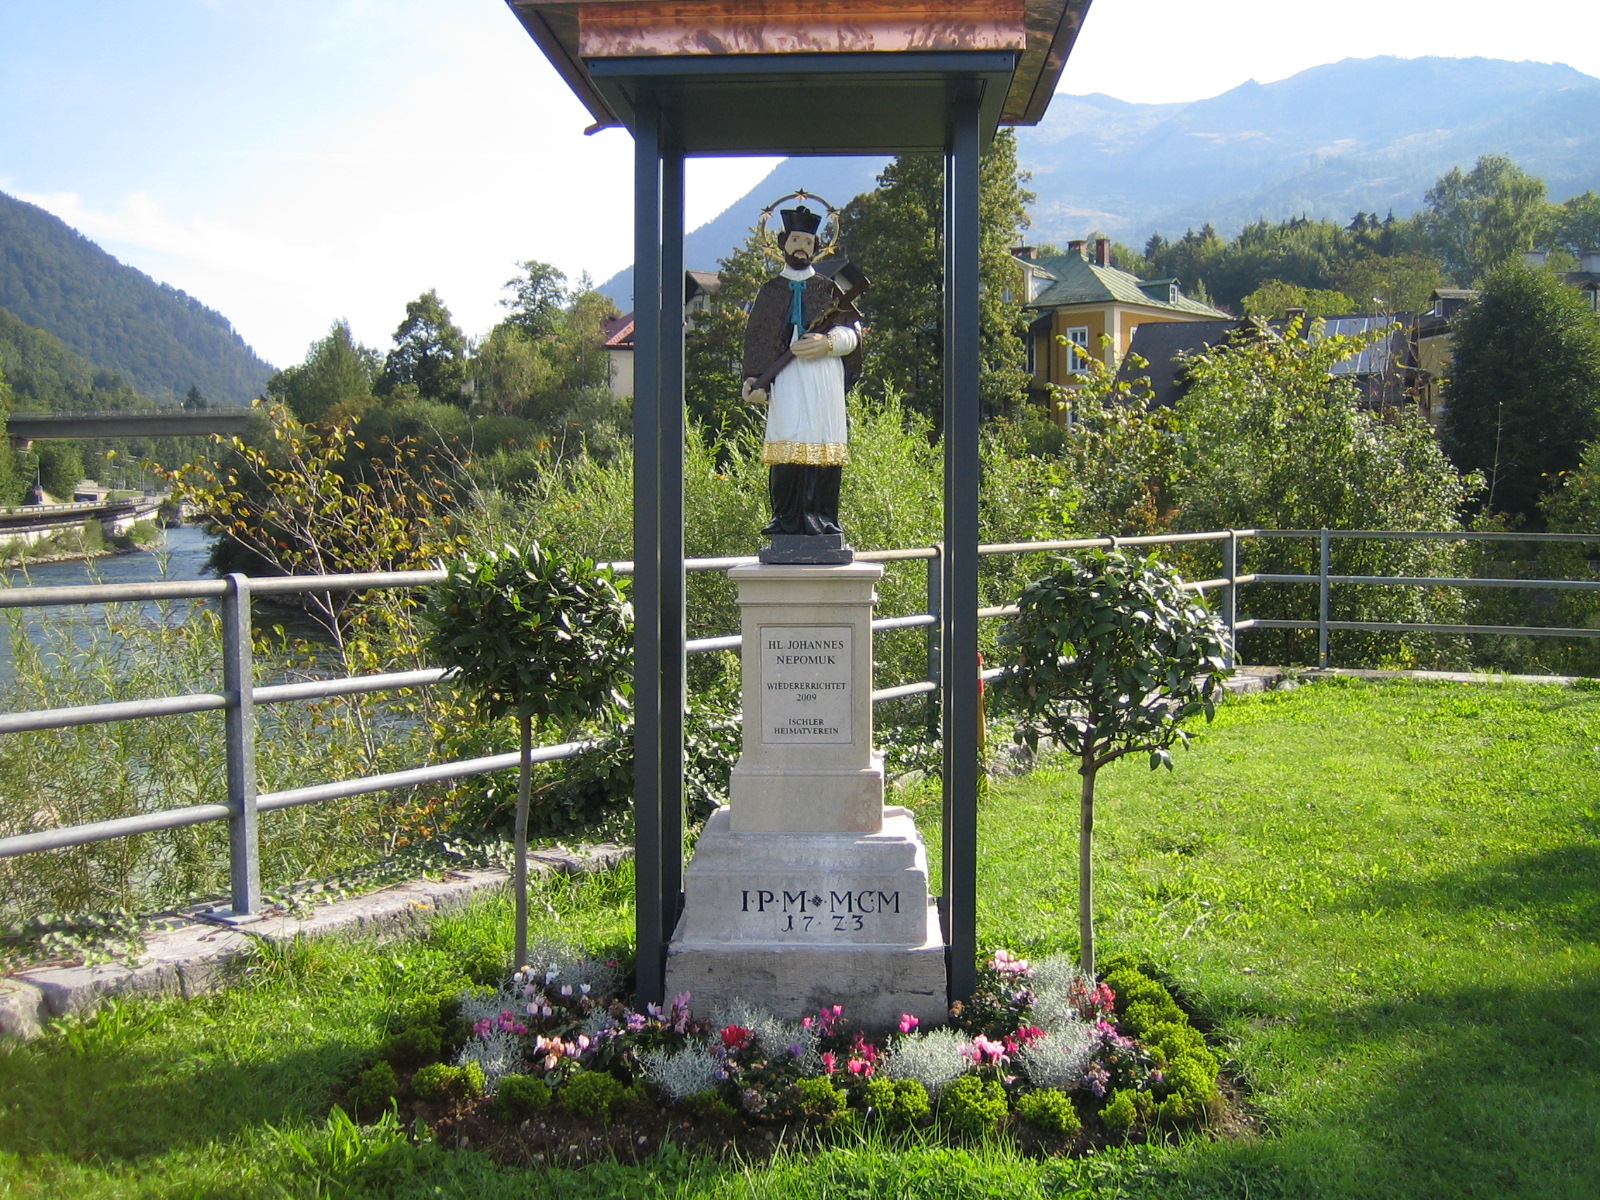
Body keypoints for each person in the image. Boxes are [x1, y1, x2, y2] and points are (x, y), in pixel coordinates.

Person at [742, 204, 862, 554]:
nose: (800, 247)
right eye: (795, 239)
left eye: (807, 241)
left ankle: (823, 519)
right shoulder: (770, 291)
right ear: (781, 242)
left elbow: (854, 333)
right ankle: (786, 519)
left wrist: (829, 342)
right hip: (788, 379)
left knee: (822, 442)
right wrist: (753, 380)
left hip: (823, 377)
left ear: (817, 246)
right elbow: (759, 337)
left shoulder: (828, 288)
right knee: (788, 440)